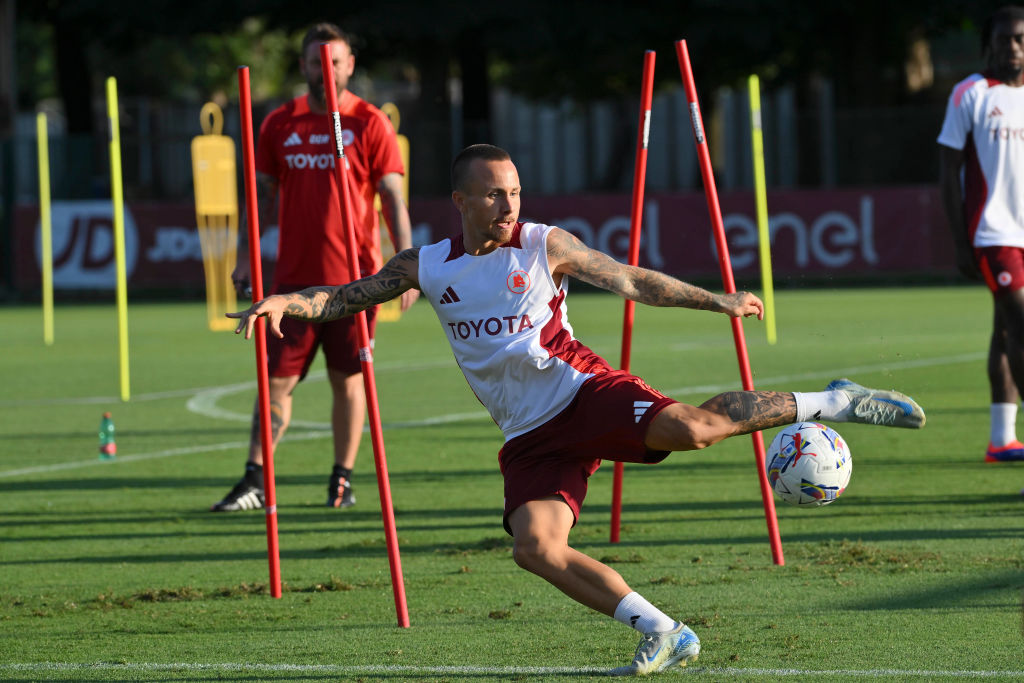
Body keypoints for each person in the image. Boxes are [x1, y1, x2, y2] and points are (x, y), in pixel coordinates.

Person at [228, 144, 926, 674]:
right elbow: (344, 296)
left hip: (581, 390)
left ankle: (830, 399)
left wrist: (717, 299)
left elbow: (632, 280)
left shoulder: (543, 244)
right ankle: (664, 630)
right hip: (528, 432)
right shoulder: (426, 265)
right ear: (461, 200)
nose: (510, 206)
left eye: (516, 193)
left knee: (694, 430)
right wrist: (286, 300)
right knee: (535, 548)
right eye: (496, 195)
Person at [211, 23, 419, 512]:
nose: (326, 70)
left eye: (337, 61)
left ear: (350, 66)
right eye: (315, 62)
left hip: (357, 283)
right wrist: (245, 255)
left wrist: (408, 264)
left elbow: (392, 195)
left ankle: (341, 482)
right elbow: (260, 196)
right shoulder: (280, 123)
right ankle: (254, 479)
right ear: (303, 66)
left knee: (349, 381)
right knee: (276, 380)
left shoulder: (369, 122)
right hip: (292, 284)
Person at [938, 5, 1024, 464]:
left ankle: (1002, 439)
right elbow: (948, 171)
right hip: (993, 235)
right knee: (1020, 327)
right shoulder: (970, 93)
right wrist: (959, 240)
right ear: (990, 42)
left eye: (1020, 38)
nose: (1012, 46)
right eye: (1005, 38)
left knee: (1008, 331)